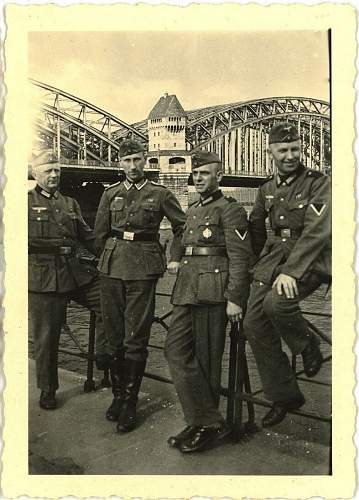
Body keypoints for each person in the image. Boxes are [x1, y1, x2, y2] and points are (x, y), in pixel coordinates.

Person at [94, 139, 185, 433]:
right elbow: (99, 234)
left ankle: (130, 402)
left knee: (135, 337)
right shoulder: (111, 194)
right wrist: (104, 259)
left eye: (136, 159)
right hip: (111, 266)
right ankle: (118, 397)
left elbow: (182, 227)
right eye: (127, 160)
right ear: (119, 163)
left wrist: (174, 257)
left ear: (144, 160)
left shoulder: (159, 194)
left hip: (143, 269)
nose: (132, 166)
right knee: (114, 334)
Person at [244, 121, 331, 428]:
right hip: (272, 257)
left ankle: (308, 346)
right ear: (271, 152)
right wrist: (254, 265)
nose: (290, 155)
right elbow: (256, 227)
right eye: (283, 150)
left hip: (308, 258)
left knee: (277, 305)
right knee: (253, 322)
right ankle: (284, 395)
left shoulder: (318, 183)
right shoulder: (266, 188)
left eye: (295, 149)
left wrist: (292, 272)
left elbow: (317, 232)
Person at [164, 150, 252, 453]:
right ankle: (205, 419)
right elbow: (180, 238)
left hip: (213, 291)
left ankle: (204, 425)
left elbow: (240, 258)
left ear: (219, 176)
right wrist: (174, 257)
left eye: (205, 173)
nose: (198, 177)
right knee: (174, 351)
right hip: (187, 289)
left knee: (207, 360)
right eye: (196, 173)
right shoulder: (192, 209)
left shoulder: (230, 210)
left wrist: (235, 299)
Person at [28, 150, 108, 410]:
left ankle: (102, 356)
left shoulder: (70, 203)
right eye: (48, 171)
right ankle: (48, 390)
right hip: (43, 277)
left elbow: (88, 237)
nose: (53, 175)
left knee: (107, 302)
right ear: (35, 173)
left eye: (57, 171)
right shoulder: (22, 202)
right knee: (46, 337)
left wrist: (109, 257)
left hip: (75, 273)